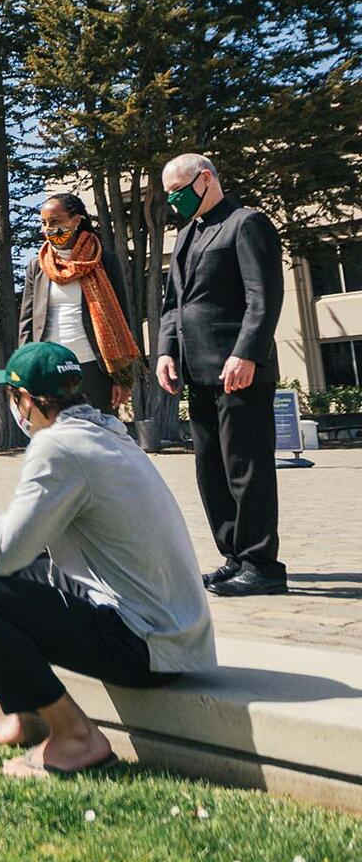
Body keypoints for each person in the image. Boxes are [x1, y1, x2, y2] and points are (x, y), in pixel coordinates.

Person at [0, 343, 216, 779]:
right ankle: (6, 709)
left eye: (14, 399)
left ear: (30, 402)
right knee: (4, 574)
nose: (14, 409)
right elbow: (23, 522)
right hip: (171, 636)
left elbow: (6, 554)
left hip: (144, 647)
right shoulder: (105, 431)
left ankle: (76, 737)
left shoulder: (57, 447)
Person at [156, 153, 287, 597]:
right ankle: (234, 556)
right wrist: (166, 352)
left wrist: (246, 353)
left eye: (178, 189)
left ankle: (262, 564)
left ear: (205, 179)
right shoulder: (187, 234)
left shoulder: (246, 224)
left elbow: (263, 297)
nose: (173, 199)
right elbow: (173, 303)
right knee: (210, 468)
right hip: (198, 371)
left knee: (245, 468)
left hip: (240, 370)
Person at [19, 192, 140, 415]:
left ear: (76, 221)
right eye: (44, 223)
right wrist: (23, 371)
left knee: (100, 437)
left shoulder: (104, 260)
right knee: (58, 439)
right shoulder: (37, 266)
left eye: (56, 222)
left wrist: (123, 378)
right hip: (50, 368)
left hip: (94, 367)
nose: (49, 229)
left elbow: (121, 320)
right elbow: (27, 323)